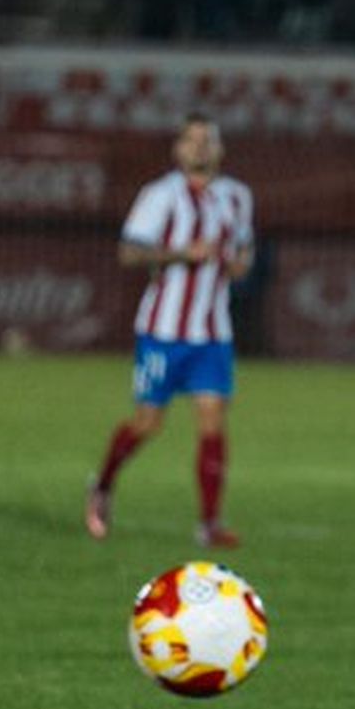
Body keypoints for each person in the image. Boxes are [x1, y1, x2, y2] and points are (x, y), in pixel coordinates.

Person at [85, 113, 255, 548]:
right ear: (178, 149)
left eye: (208, 140)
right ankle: (102, 485)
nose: (200, 147)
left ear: (220, 149)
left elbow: (243, 251)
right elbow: (129, 253)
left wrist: (240, 265)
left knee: (213, 422)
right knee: (147, 423)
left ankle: (210, 522)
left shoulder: (237, 197)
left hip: (213, 332)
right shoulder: (160, 196)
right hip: (162, 330)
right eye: (192, 140)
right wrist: (182, 254)